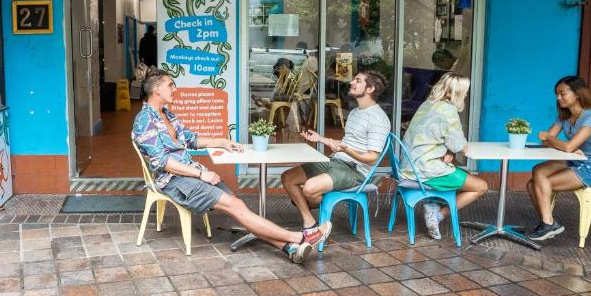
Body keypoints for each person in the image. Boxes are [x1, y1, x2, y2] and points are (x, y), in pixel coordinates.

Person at [133, 68, 332, 263]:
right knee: (236, 205)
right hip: (175, 182)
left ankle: (289, 249)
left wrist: (223, 141)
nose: (175, 89)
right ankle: (302, 238)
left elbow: (191, 139)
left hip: (190, 175)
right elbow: (162, 162)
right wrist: (201, 174)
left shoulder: (167, 114)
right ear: (157, 89)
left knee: (236, 203)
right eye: (170, 85)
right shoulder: (144, 121)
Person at [281, 71, 391, 234]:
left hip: (355, 170)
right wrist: (321, 139)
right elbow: (345, 144)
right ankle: (310, 222)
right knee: (288, 177)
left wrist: (347, 150)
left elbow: (373, 159)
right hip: (336, 161)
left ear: (370, 89)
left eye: (357, 81)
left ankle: (312, 200)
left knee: (309, 188)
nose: (352, 82)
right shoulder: (355, 112)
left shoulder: (378, 119)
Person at [399, 73, 489, 240]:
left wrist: (449, 152)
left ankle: (433, 203)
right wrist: (453, 150)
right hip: (425, 169)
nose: (467, 94)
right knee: (480, 185)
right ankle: (438, 215)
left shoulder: (427, 104)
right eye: (465, 91)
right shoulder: (449, 112)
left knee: (462, 175)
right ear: (458, 93)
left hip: (409, 164)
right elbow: (460, 146)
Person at [525, 75, 591, 242]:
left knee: (534, 185)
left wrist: (556, 140)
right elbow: (546, 142)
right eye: (557, 94)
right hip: (573, 159)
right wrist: (560, 143)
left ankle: (548, 224)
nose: (558, 98)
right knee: (537, 170)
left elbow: (562, 143)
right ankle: (549, 223)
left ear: (577, 93)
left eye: (562, 93)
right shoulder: (564, 116)